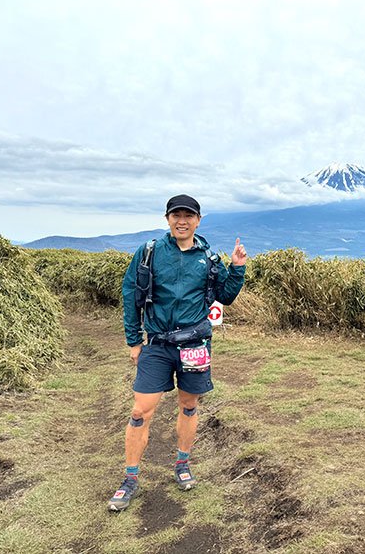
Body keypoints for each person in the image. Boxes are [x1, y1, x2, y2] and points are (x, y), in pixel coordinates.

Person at [108, 194, 247, 512]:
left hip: (195, 345)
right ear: (167, 218)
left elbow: (224, 295)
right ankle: (130, 479)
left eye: (188, 215)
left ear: (198, 220)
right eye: (176, 215)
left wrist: (237, 268)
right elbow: (130, 293)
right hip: (156, 344)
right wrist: (134, 341)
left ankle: (182, 464)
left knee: (189, 405)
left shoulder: (208, 256)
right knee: (140, 411)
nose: (181, 220)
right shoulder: (150, 252)